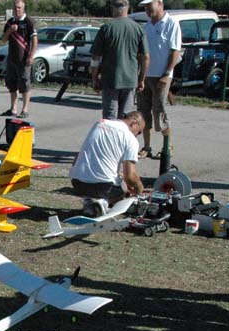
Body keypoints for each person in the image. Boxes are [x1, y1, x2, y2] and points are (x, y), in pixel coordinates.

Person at [69, 110, 146, 214]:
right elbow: (130, 176)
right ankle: (102, 202)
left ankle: (90, 201)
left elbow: (79, 156)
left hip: (77, 182)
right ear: (134, 123)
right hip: (103, 187)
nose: (137, 135)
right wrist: (139, 188)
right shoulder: (131, 139)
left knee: (116, 177)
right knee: (123, 189)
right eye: (139, 132)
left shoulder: (100, 123)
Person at [91, 0, 148, 121]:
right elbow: (145, 57)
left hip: (111, 80)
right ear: (128, 7)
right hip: (130, 80)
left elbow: (95, 57)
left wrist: (94, 78)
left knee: (110, 118)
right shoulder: (138, 29)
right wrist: (141, 79)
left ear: (112, 8)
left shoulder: (106, 28)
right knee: (126, 118)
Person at [137, 0, 180, 158]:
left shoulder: (171, 24)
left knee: (159, 111)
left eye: (150, 6)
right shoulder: (147, 27)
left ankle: (167, 146)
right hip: (146, 75)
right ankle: (146, 147)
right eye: (145, 7)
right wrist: (140, 75)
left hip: (162, 76)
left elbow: (175, 51)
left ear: (159, 3)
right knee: (143, 111)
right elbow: (142, 53)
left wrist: (167, 74)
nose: (147, 10)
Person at [1, 0, 37, 118]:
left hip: (24, 59)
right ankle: (13, 109)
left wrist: (31, 56)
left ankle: (25, 109)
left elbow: (34, 40)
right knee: (12, 83)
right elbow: (3, 39)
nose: (17, 10)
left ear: (23, 8)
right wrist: (10, 30)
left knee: (24, 83)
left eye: (19, 8)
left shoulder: (28, 21)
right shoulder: (10, 22)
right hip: (12, 58)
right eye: (15, 8)